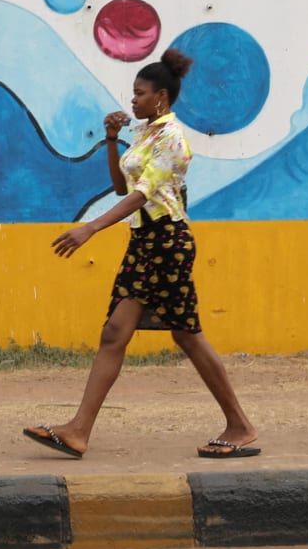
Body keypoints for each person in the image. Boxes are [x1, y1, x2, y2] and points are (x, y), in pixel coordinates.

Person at [21, 48, 260, 459]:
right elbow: (119, 186)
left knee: (185, 334)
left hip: (167, 243)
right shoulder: (148, 134)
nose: (132, 100)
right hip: (146, 244)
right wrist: (112, 140)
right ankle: (78, 432)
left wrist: (91, 227)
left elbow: (140, 196)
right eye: (133, 93)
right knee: (122, 333)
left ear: (161, 97)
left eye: (140, 93)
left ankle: (239, 424)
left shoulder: (173, 139)